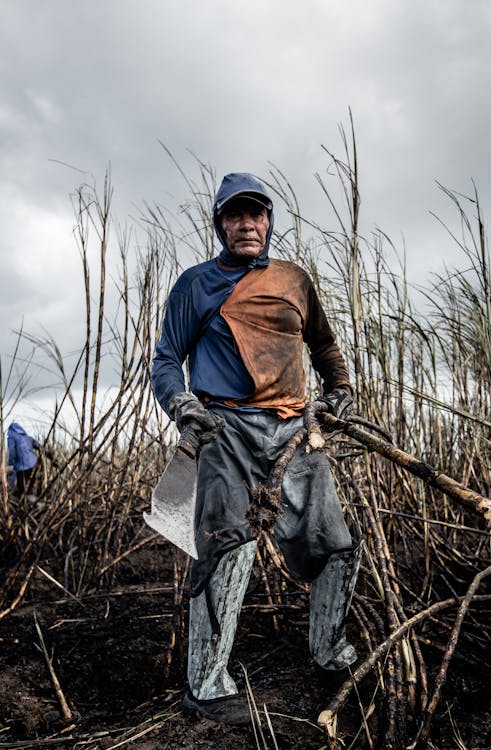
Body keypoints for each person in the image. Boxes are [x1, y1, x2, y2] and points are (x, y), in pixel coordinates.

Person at [151, 172, 362, 724]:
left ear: (268, 222)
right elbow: (167, 359)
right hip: (225, 428)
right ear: (220, 224)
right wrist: (184, 407)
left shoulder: (294, 280)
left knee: (334, 545)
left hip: (295, 429)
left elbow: (324, 345)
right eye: (235, 215)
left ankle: (327, 652)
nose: (247, 224)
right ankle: (206, 681)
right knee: (226, 546)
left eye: (256, 214)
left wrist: (339, 391)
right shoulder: (196, 284)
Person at [7, 422, 41, 502]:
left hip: (22, 467)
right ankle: (32, 506)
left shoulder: (12, 437)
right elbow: (40, 447)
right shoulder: (28, 438)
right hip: (33, 465)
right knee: (29, 489)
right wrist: (53, 459)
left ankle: (37, 505)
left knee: (23, 491)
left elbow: (12, 452)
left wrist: (11, 465)